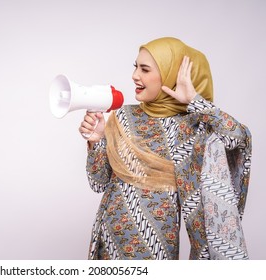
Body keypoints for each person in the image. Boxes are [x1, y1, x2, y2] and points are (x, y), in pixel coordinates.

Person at [79, 37, 252, 260]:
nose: (135, 75)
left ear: (171, 76)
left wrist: (193, 100)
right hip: (109, 235)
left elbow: (237, 137)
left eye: (145, 69)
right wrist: (96, 140)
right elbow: (98, 182)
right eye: (135, 67)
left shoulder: (194, 127)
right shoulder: (122, 116)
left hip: (156, 243)